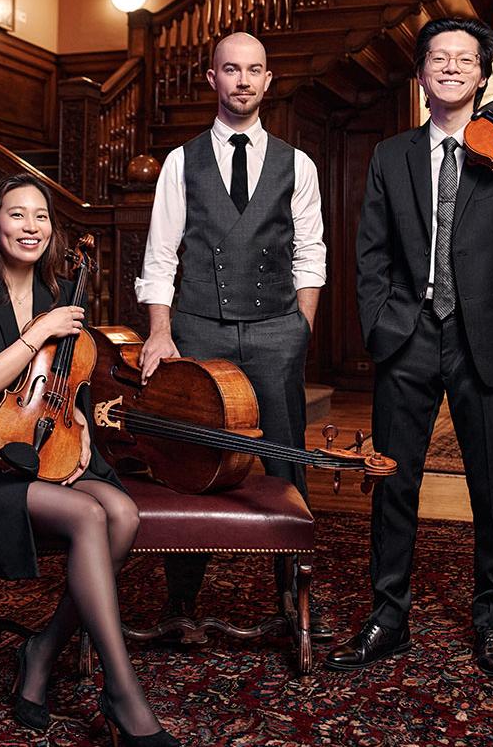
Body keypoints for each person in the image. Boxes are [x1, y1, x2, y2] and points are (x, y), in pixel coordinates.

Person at [326, 17, 493, 677]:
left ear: (483, 76)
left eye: (465, 59)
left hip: (488, 338)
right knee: (394, 484)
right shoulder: (390, 155)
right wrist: (382, 328)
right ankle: (387, 619)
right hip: (409, 336)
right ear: (421, 75)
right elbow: (371, 253)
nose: (450, 66)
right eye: (437, 58)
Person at [0, 173, 179, 745]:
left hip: (42, 453)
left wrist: (79, 440)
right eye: (17, 214)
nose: (31, 227)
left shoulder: (54, 295)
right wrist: (39, 331)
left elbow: (67, 389)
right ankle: (123, 691)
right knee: (89, 516)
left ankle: (42, 649)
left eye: (41, 216)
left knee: (122, 511)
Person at [135, 32, 330, 638]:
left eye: (253, 71)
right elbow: (161, 255)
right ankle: (181, 601)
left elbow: (311, 255)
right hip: (195, 329)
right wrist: (160, 332)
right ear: (212, 79)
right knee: (189, 463)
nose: (242, 81)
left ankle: (292, 594)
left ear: (268, 80)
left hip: (276, 331)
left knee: (284, 458)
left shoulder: (298, 164)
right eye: (230, 70)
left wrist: (300, 328)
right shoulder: (179, 161)